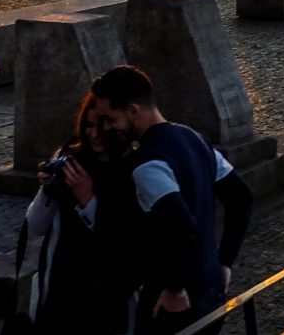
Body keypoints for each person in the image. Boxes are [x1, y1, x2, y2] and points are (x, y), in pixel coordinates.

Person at [91, 66, 254, 335]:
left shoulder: (147, 163)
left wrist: (174, 289)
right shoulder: (195, 139)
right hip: (211, 289)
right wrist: (224, 262)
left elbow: (180, 225)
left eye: (111, 119)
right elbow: (241, 198)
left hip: (173, 303)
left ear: (133, 111)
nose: (108, 128)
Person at [23, 93, 138, 335]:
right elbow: (35, 226)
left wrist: (88, 200)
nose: (94, 134)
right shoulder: (69, 158)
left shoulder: (131, 167)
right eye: (88, 125)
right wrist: (47, 191)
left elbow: (123, 242)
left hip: (106, 296)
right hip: (60, 288)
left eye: (102, 126)